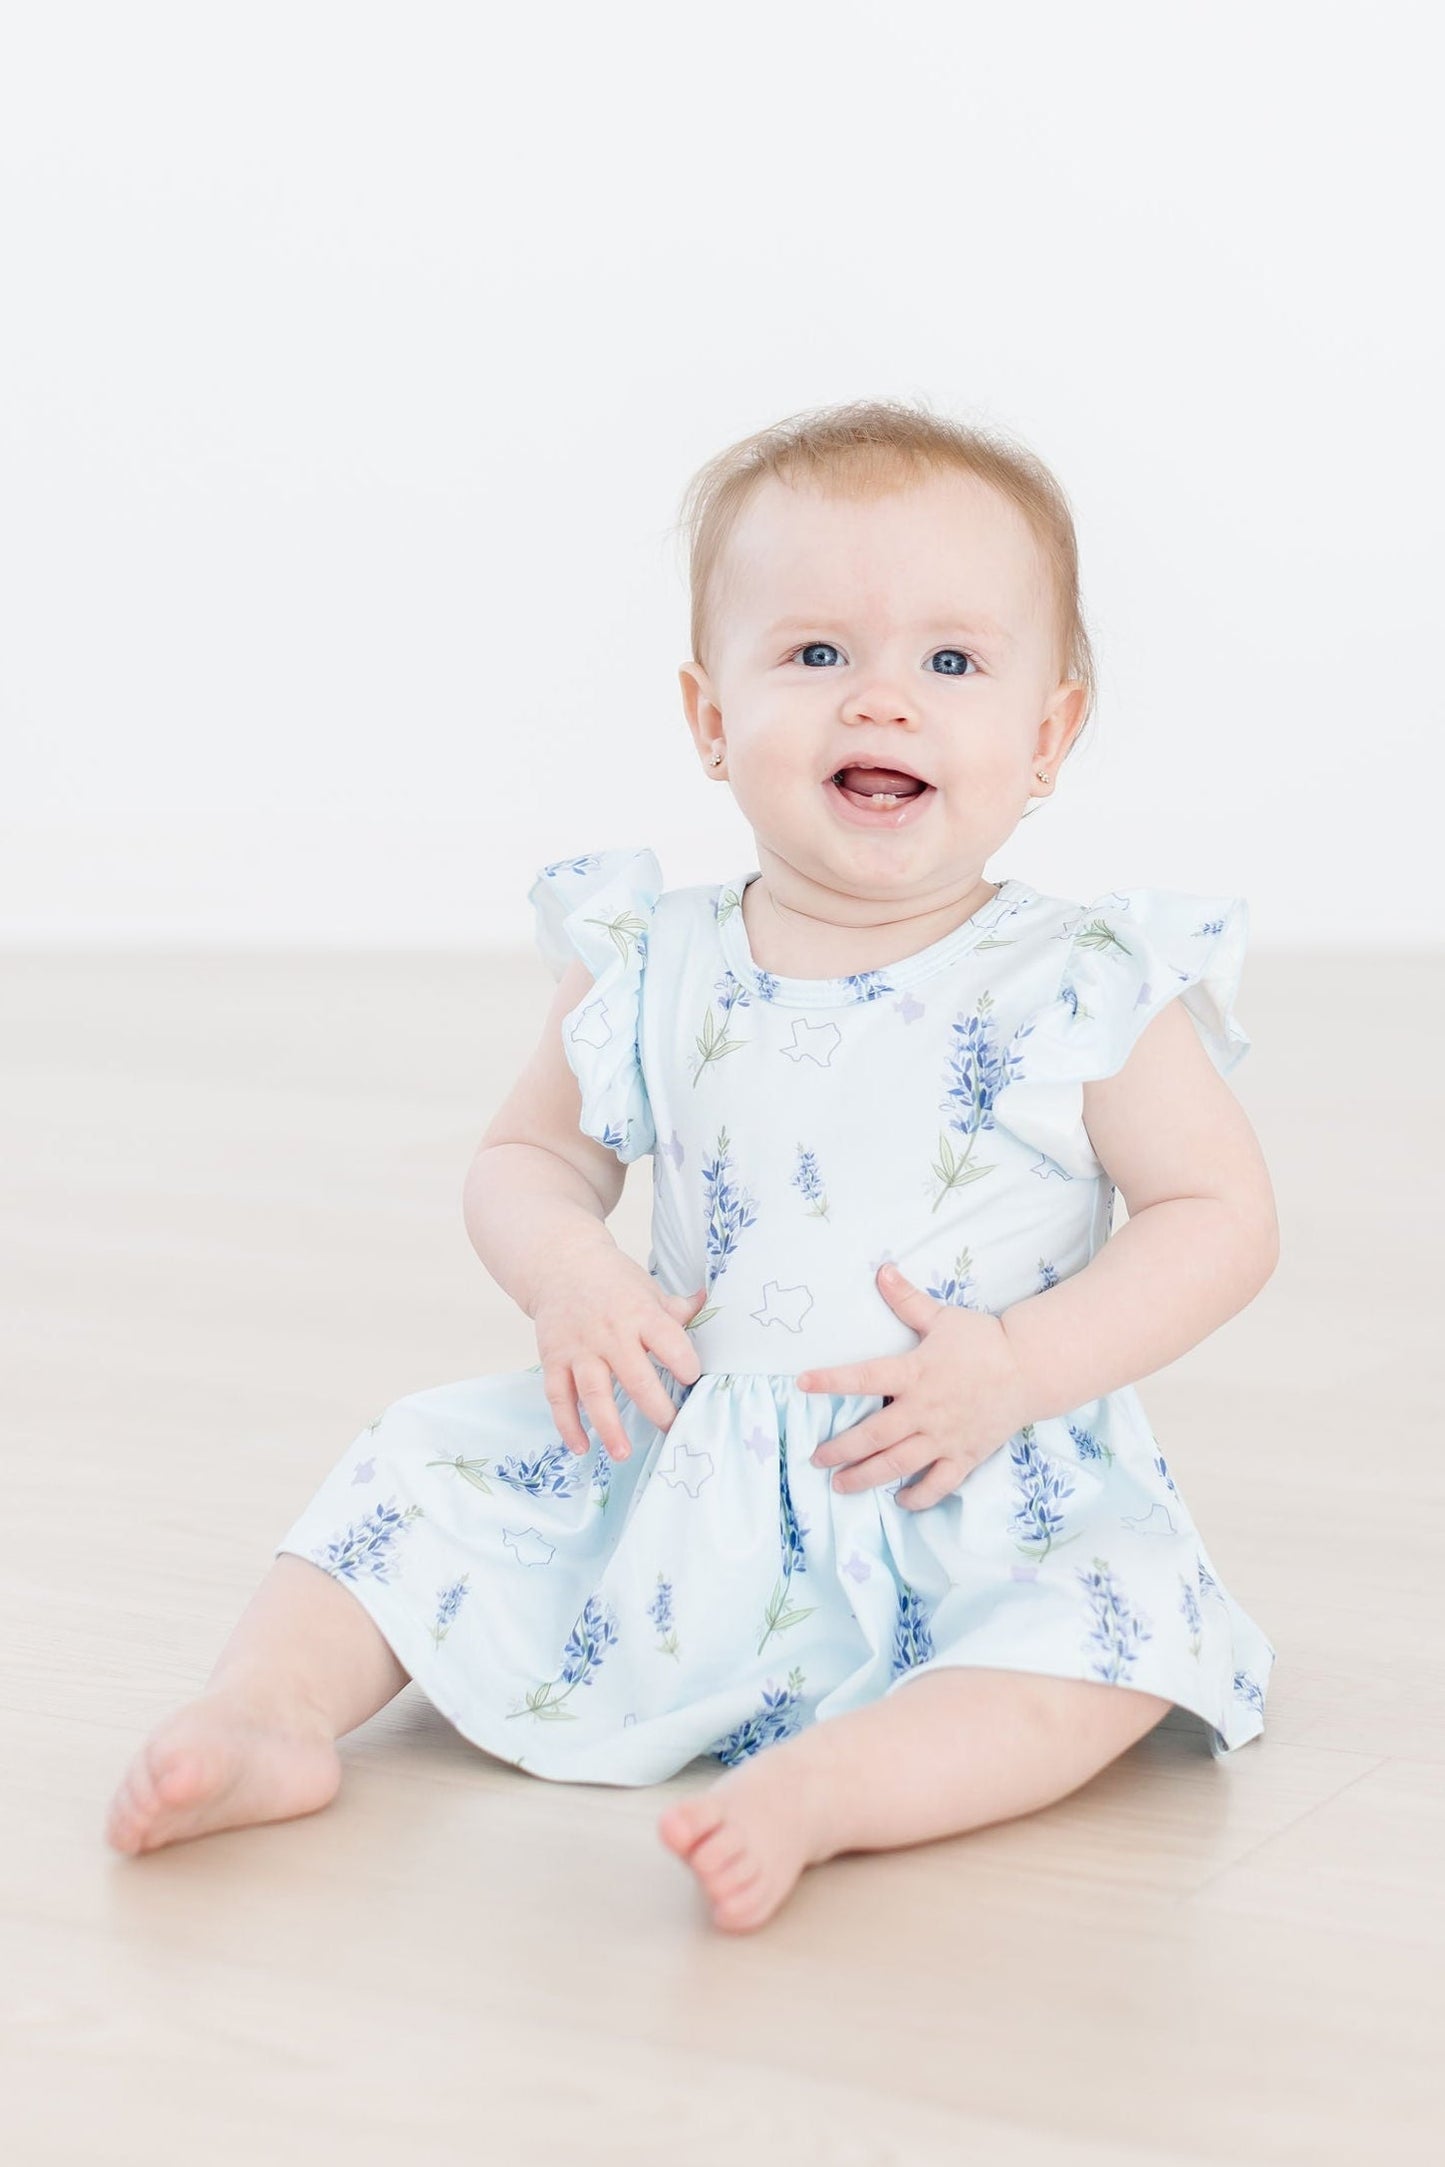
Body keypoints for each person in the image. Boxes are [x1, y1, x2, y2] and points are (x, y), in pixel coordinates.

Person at [103, 398, 1280, 1934]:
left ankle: (836, 1791)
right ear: (708, 716)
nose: (883, 703)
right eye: (814, 656)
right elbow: (526, 1157)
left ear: (1047, 733)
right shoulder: (647, 962)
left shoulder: (1080, 984)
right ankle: (269, 1708)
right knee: (413, 1469)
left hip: (949, 1464)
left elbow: (1220, 1218)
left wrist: (1018, 1365)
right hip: (672, 1458)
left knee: (1105, 1634)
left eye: (949, 661)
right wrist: (572, 1272)